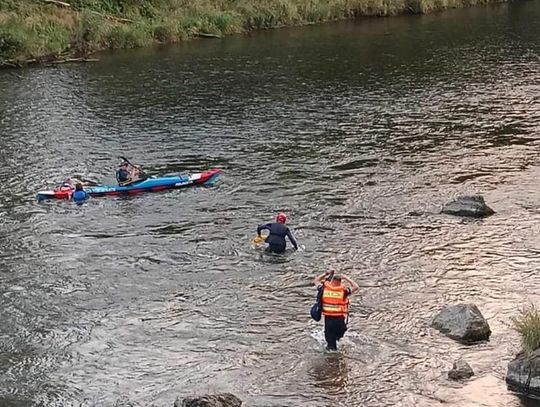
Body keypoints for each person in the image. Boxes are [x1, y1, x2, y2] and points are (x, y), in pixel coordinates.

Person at [313, 271, 359, 351]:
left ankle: (331, 361)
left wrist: (326, 273)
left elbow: (316, 281)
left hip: (328, 322)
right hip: (340, 323)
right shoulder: (343, 292)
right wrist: (347, 278)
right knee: (339, 338)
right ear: (340, 282)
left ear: (332, 281)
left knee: (331, 347)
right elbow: (356, 286)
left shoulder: (324, 289)